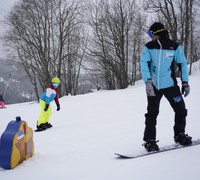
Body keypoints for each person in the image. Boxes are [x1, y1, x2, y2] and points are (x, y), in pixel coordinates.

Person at [140, 22, 192, 152]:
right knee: (152, 113)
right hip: (153, 86)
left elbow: (182, 64)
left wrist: (185, 82)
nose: (150, 36)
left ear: (157, 33)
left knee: (181, 110)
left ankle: (179, 135)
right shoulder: (149, 47)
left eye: (151, 34)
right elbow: (144, 64)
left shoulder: (174, 46)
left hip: (170, 85)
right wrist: (147, 82)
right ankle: (149, 141)